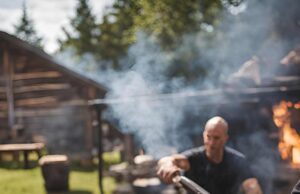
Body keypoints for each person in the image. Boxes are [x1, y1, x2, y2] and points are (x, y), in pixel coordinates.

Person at [157, 116, 263, 194]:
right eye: (208, 137)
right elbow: (171, 160)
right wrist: (167, 165)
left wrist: (253, 190)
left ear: (225, 138)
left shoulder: (237, 161)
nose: (211, 143)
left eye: (216, 138)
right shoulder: (194, 158)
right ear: (204, 136)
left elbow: (251, 185)